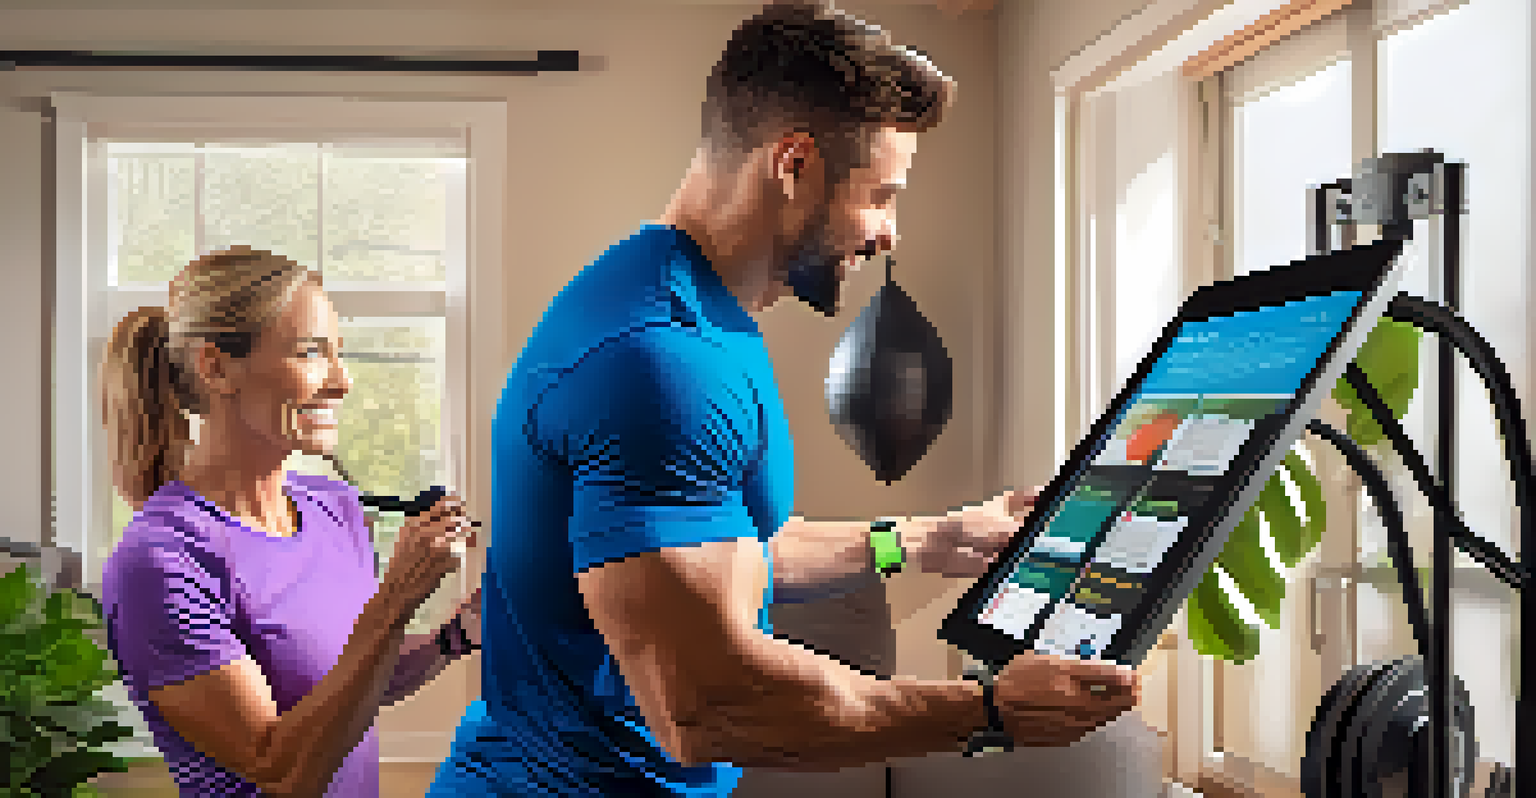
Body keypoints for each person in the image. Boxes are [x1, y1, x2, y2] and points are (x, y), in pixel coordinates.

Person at [425, 2, 1140, 796]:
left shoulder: (694, 309)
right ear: (793, 163)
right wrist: (989, 711)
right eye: (883, 195)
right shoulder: (661, 359)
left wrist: (925, 539)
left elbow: (727, 552)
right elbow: (703, 709)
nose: (889, 233)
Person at [98, 246, 483, 798]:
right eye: (311, 353)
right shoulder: (160, 560)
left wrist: (459, 634)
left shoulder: (335, 507)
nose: (342, 381)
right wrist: (397, 597)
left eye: (339, 354)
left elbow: (353, 677)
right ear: (217, 367)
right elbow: (281, 769)